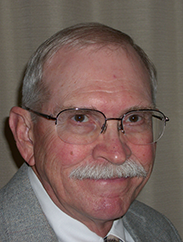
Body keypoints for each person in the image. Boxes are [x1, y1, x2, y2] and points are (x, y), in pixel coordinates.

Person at [0, 23, 182, 242]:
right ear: (26, 135)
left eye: (134, 118)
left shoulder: (160, 230)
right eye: (81, 118)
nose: (117, 154)